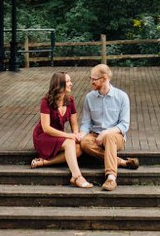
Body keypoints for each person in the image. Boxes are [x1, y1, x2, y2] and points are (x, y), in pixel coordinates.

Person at [78, 63, 139, 191]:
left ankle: (111, 177)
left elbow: (124, 125)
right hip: (95, 136)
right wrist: (81, 134)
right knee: (84, 143)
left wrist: (105, 133)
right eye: (91, 79)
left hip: (115, 136)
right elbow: (86, 123)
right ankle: (121, 162)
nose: (91, 82)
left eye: (94, 79)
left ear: (104, 79)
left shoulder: (122, 97)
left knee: (110, 137)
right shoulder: (89, 98)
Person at [31, 72, 93, 189]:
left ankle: (45, 162)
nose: (71, 83)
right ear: (59, 84)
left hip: (59, 136)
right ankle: (77, 176)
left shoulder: (70, 101)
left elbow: (74, 124)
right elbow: (46, 128)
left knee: (78, 149)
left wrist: (76, 134)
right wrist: (68, 136)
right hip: (43, 136)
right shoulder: (46, 101)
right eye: (68, 81)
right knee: (70, 142)